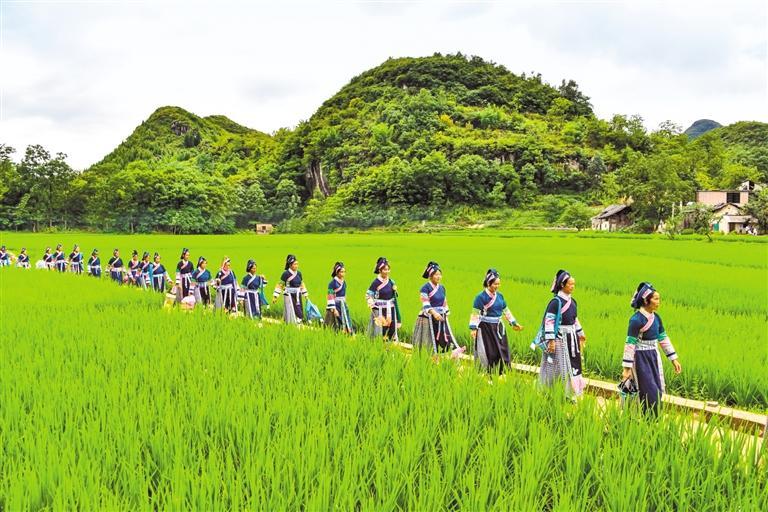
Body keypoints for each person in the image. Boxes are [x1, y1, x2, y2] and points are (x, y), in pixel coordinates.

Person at [622, 282, 682, 416]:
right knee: (647, 391)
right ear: (646, 300)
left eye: (658, 299)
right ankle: (642, 417)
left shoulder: (657, 318)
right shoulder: (636, 320)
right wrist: (626, 369)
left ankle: (652, 419)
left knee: (657, 389)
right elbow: (630, 344)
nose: (658, 302)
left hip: (654, 357)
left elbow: (663, 338)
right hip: (640, 359)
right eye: (655, 299)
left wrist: (674, 359)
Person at [535, 269, 587, 397]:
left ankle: (570, 393)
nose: (573, 287)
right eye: (570, 284)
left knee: (572, 366)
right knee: (559, 366)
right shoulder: (555, 302)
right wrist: (551, 341)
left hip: (571, 338)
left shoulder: (573, 302)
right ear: (562, 285)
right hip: (559, 339)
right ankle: (554, 392)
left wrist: (581, 333)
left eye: (574, 284)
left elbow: (574, 319)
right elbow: (549, 321)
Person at [469, 269, 523, 374]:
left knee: (503, 350)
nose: (497, 286)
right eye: (495, 284)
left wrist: (514, 323)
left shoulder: (500, 296)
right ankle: (488, 372)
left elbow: (506, 311)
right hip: (486, 328)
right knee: (490, 352)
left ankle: (502, 372)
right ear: (488, 283)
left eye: (498, 284)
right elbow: (475, 313)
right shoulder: (480, 297)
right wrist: (473, 328)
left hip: (499, 328)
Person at [412, 261, 459, 354]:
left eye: (440, 274)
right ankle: (428, 356)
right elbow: (425, 303)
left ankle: (445, 354)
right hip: (428, 317)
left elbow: (444, 302)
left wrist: (446, 314)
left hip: (441, 316)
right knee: (428, 340)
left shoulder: (442, 288)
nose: (438, 277)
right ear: (430, 276)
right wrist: (434, 313)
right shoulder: (425, 288)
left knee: (443, 336)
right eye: (436, 275)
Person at [366, 257, 401, 341]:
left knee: (391, 329)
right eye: (385, 269)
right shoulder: (376, 282)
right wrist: (370, 301)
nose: (387, 271)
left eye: (388, 269)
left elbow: (394, 297)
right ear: (380, 270)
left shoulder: (391, 281)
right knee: (381, 330)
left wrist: (395, 290)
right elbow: (369, 294)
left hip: (391, 308)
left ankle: (391, 346)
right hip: (380, 310)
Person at [273, 254, 307, 324]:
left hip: (297, 294)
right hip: (289, 295)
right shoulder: (286, 274)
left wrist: (305, 294)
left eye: (297, 264)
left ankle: (299, 320)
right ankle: (291, 322)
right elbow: (280, 285)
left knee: (299, 308)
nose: (296, 266)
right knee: (291, 309)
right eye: (294, 264)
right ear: (290, 265)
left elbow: (302, 284)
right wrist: (275, 296)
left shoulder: (299, 273)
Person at [325, 261, 353, 334]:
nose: (343, 274)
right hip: (335, 304)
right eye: (341, 272)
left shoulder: (344, 282)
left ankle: (348, 332)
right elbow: (330, 296)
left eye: (344, 272)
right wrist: (334, 309)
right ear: (337, 272)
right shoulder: (332, 283)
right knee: (336, 321)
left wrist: (345, 302)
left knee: (346, 318)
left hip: (343, 304)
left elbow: (344, 294)